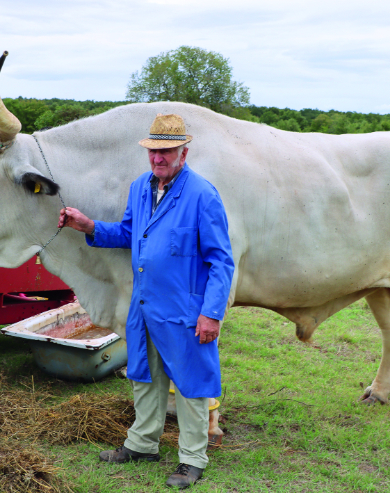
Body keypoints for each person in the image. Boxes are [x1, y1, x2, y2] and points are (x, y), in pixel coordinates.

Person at [58, 113, 235, 489]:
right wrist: (88, 226)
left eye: (167, 152)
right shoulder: (141, 187)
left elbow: (221, 260)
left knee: (190, 385)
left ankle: (191, 459)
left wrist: (211, 313)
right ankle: (142, 445)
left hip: (185, 312)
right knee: (146, 379)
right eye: (153, 151)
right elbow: (128, 232)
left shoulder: (203, 195)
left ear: (184, 153)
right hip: (145, 307)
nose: (159, 159)